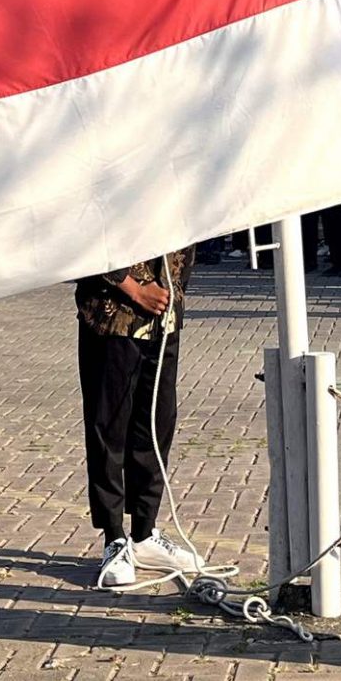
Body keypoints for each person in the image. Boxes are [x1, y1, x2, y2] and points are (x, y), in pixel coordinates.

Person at [76, 247, 206, 590]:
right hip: (113, 318)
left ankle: (145, 532)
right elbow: (84, 237)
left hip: (164, 318)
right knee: (109, 427)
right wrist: (133, 288)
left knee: (156, 425)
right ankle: (114, 537)